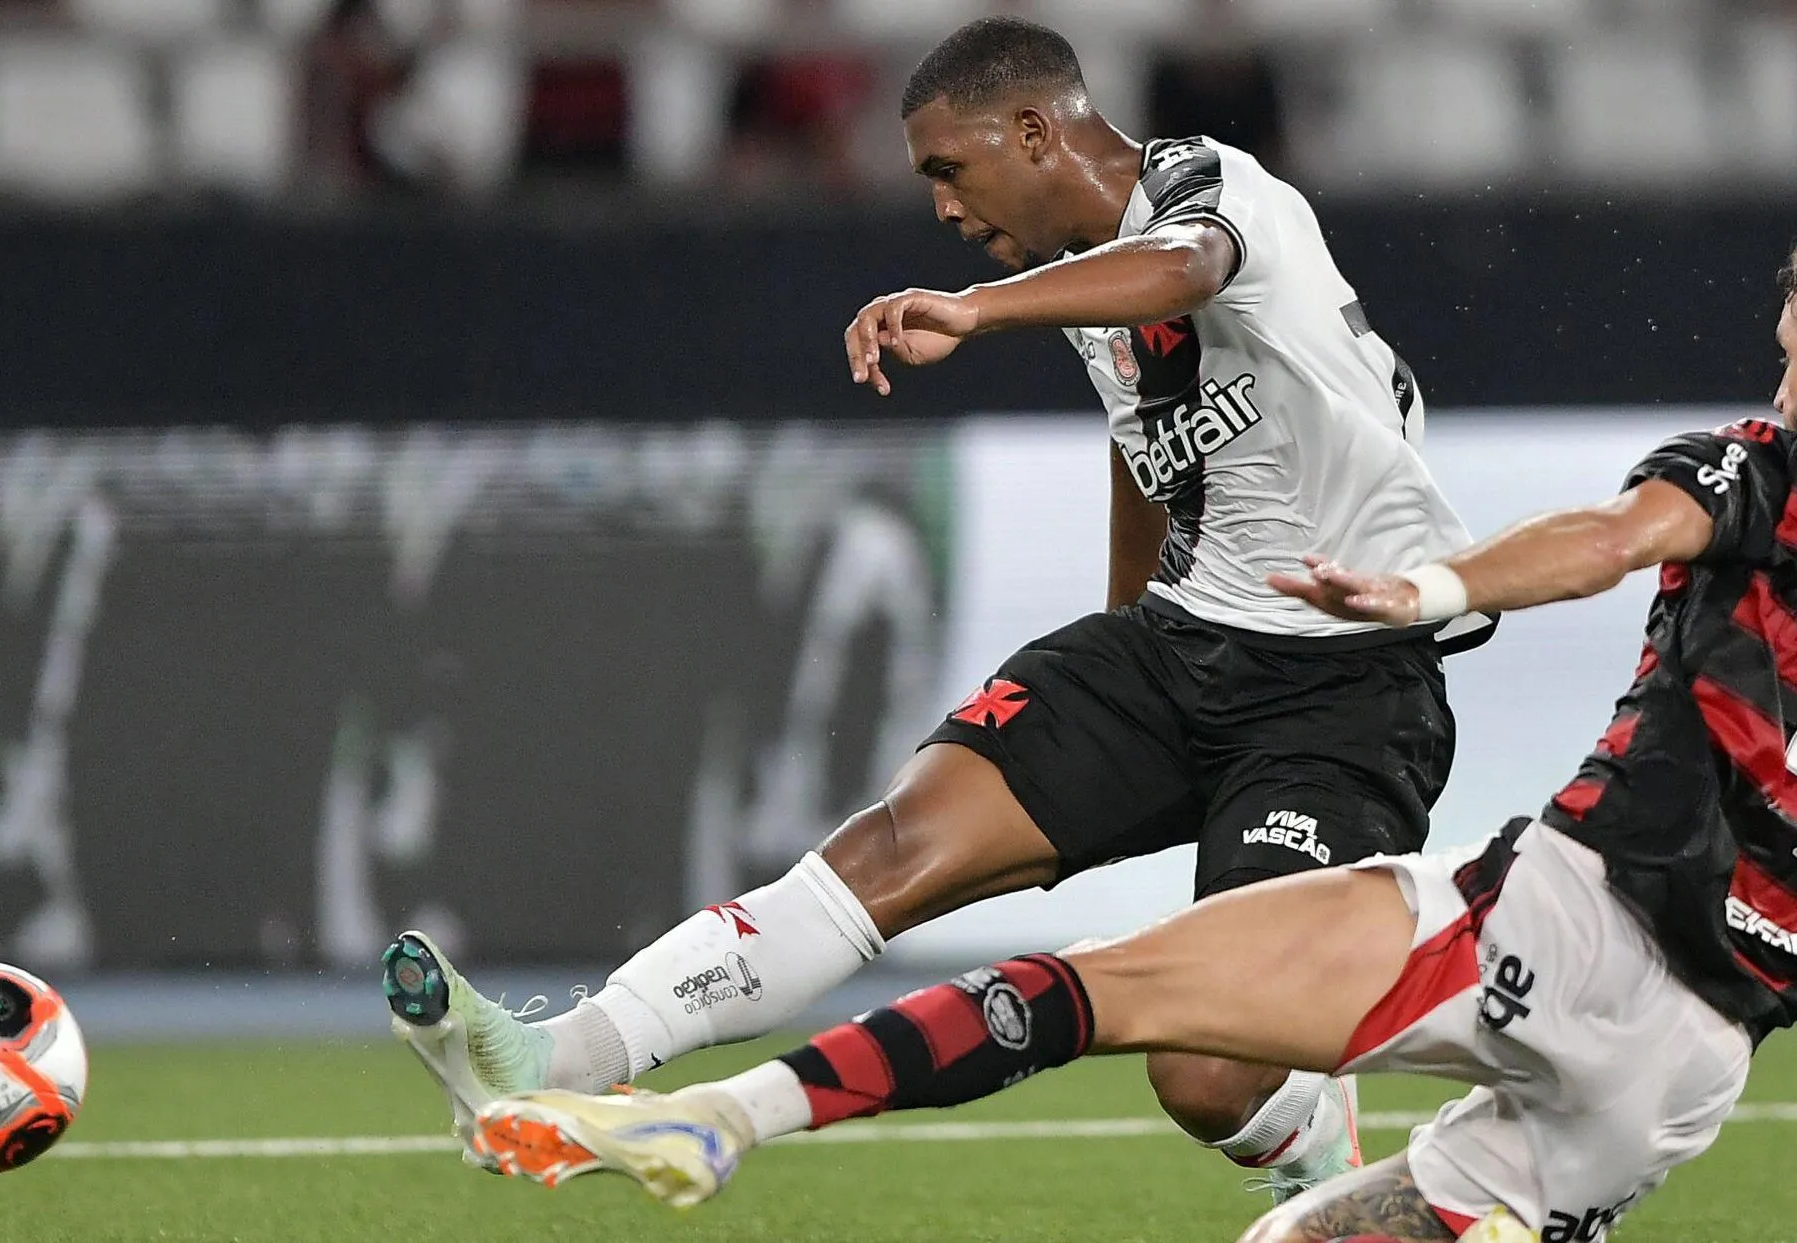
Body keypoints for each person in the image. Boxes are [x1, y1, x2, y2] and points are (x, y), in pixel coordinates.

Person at [458, 207, 1797, 1243]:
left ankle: (721, 1115)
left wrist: (1428, 591)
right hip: (1684, 1071)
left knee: (1094, 987)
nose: (1779, 370)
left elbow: (1607, 537)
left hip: (1554, 927)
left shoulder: (1769, 469)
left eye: (1795, 349)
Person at [381, 15, 1488, 1200]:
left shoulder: (1218, 188)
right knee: (893, 845)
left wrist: (974, 309)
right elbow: (1149, 448)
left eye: (949, 171)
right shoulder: (1090, 298)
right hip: (1177, 652)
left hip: (1343, 686)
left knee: (1205, 1074)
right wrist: (1122, 636)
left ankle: (1316, 1141)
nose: (947, 210)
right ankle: (560, 1053)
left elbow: (1185, 269)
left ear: (1032, 129)